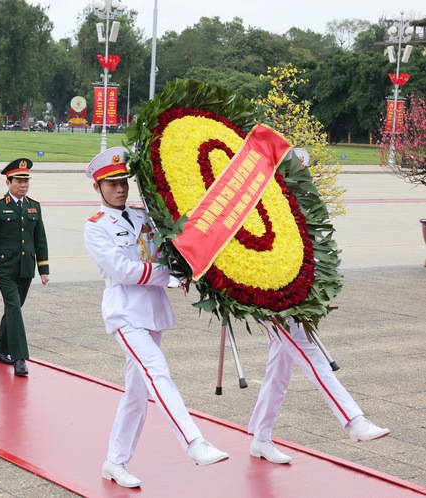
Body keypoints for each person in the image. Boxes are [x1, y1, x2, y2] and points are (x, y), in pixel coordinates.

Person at [83, 147, 229, 488]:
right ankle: (194, 442)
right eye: (112, 184)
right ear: (98, 188)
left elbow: (169, 252)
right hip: (124, 311)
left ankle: (115, 461)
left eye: (123, 182)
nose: (120, 189)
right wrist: (167, 275)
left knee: (136, 392)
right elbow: (122, 270)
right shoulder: (96, 227)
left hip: (152, 311)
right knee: (156, 371)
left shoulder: (143, 217)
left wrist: (188, 268)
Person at [247, 316, 390, 464]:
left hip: (280, 301)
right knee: (314, 359)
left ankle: (261, 437)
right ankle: (354, 421)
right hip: (272, 304)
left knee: (278, 370)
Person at [0, 158, 49, 377]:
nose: (23, 185)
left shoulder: (33, 206)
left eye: (26, 181)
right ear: (8, 182)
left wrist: (43, 269)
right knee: (14, 308)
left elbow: (40, 239)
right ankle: (19, 357)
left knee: (13, 309)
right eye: (19, 181)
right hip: (5, 267)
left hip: (26, 267)